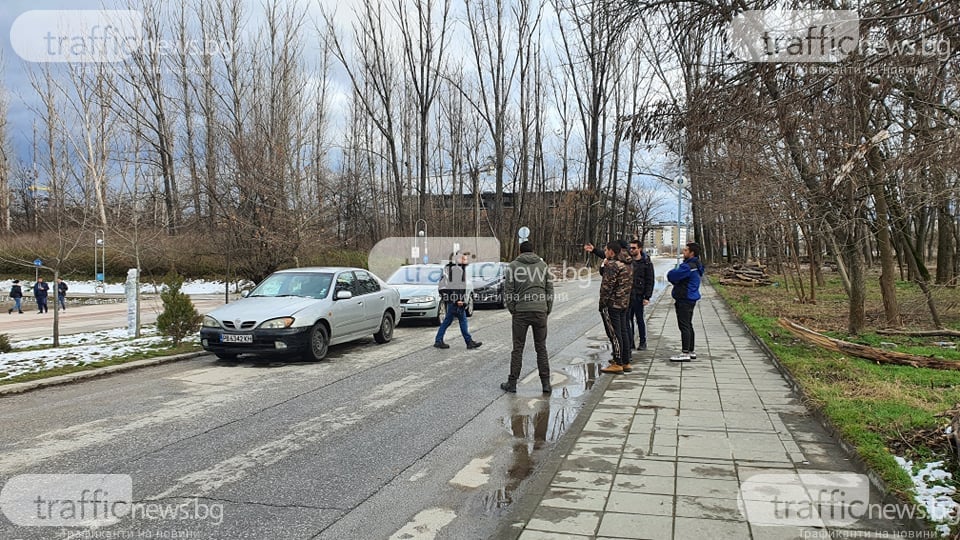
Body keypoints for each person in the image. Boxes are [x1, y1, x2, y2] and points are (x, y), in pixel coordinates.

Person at [500, 241, 554, 394]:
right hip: (540, 311)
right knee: (541, 347)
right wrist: (547, 308)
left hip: (521, 312)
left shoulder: (513, 266)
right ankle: (546, 384)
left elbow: (508, 290)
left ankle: (512, 383)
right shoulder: (543, 266)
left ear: (520, 251)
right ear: (533, 251)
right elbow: (549, 289)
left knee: (518, 348)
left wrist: (513, 309)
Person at [598, 241, 633, 374]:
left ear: (611, 251)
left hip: (612, 304)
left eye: (606, 250)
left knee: (614, 334)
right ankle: (625, 361)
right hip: (624, 302)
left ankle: (618, 362)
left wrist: (602, 304)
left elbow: (607, 287)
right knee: (623, 331)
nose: (605, 252)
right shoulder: (628, 263)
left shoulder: (613, 265)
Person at [434, 253, 482, 350]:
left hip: (453, 301)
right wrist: (458, 300)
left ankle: (438, 340)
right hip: (455, 301)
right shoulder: (456, 270)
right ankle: (469, 342)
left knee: (448, 321)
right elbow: (455, 287)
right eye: (464, 259)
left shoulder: (458, 269)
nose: (466, 261)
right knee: (462, 320)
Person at [667, 242, 705, 362]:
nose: (683, 252)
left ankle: (685, 353)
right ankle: (691, 350)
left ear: (691, 253)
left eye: (685, 250)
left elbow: (672, 275)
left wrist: (673, 274)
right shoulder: (697, 264)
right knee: (688, 324)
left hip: (684, 298)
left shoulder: (688, 266)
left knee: (684, 325)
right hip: (691, 297)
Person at [627, 240, 655, 351]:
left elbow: (650, 280)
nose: (631, 250)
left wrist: (647, 297)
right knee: (628, 320)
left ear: (640, 249)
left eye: (634, 248)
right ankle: (630, 342)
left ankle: (643, 342)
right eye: (631, 248)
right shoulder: (628, 261)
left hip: (639, 295)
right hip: (628, 295)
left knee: (640, 319)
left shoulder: (646, 263)